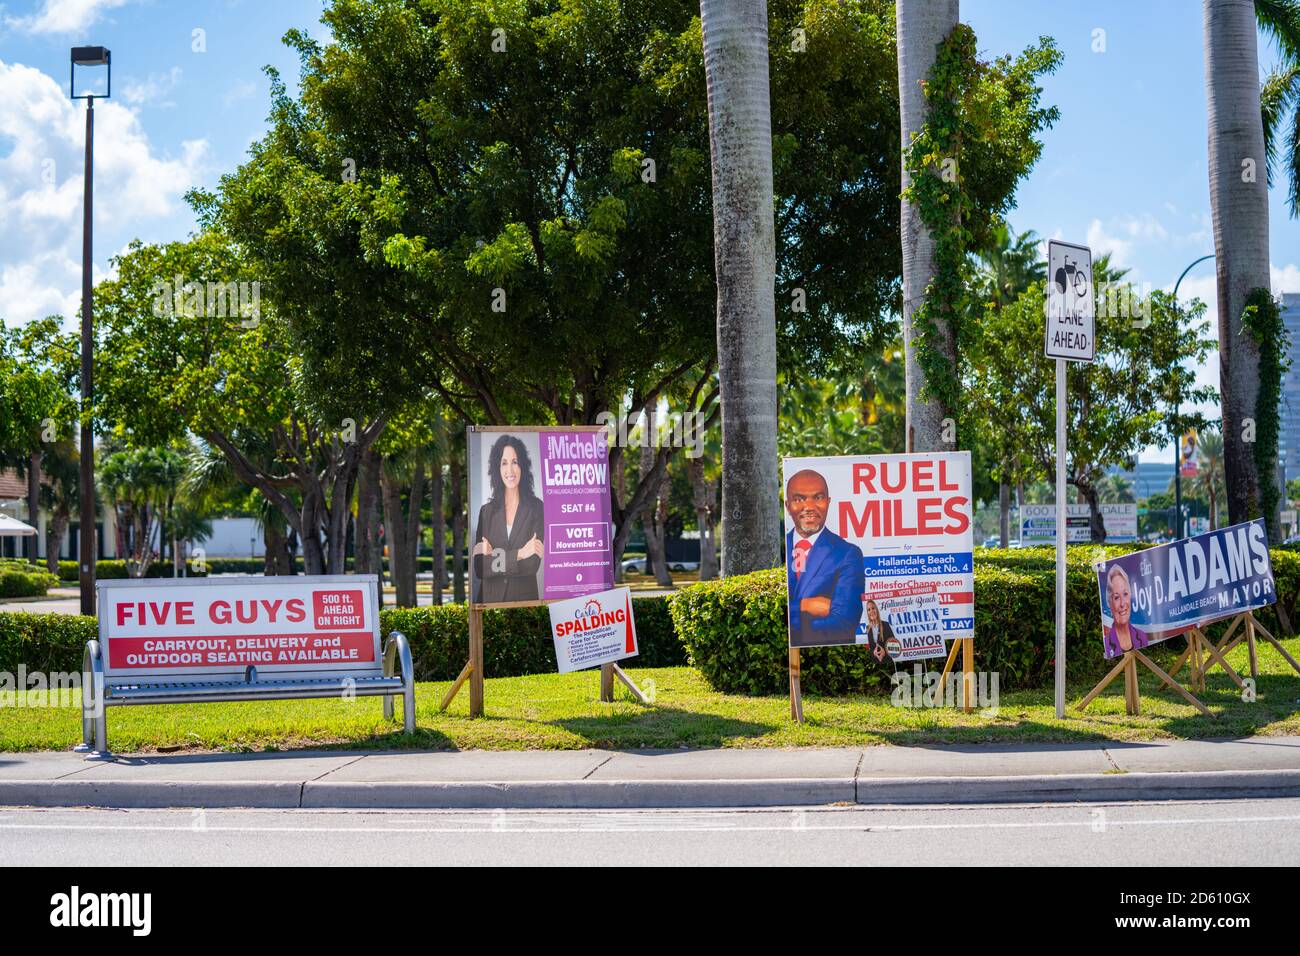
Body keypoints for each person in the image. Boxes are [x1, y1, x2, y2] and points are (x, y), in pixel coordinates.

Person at [785, 468, 865, 647]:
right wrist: (806, 605)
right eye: (799, 499)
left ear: (828, 502)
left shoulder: (847, 554)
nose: (810, 507)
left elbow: (844, 623)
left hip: (825, 661)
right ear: (787, 505)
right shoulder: (777, 548)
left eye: (818, 497)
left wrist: (788, 616)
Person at [472, 435, 546, 603]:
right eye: (504, 463)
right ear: (497, 468)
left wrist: (494, 556)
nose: (510, 470)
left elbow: (532, 564)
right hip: (490, 602)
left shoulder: (536, 508)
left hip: (523, 605)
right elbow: (480, 568)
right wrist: (520, 553)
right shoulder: (486, 512)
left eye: (515, 462)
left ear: (523, 466)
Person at [1102, 563, 1149, 657]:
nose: (1123, 604)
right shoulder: (1107, 644)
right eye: (1116, 597)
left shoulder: (1142, 637)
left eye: (1125, 594)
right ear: (1109, 603)